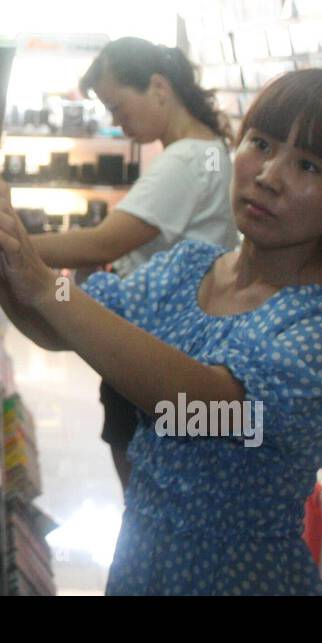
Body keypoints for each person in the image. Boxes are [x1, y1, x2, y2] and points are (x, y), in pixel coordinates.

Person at [0, 68, 322, 594]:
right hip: (141, 564)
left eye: (307, 165)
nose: (269, 175)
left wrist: (36, 276)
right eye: (260, 144)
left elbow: (201, 407)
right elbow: (58, 330)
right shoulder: (190, 267)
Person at [30, 38, 238, 492]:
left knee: (143, 489)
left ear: (159, 87)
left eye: (120, 107)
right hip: (176, 343)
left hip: (154, 342)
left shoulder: (185, 160)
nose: (119, 124)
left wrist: (10, 244)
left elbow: (103, 244)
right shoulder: (207, 149)